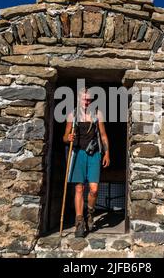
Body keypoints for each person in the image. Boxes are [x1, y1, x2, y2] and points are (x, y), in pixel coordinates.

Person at [63, 88, 110, 237]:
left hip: (94, 154)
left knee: (94, 189)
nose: (87, 102)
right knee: (79, 189)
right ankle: (79, 222)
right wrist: (68, 138)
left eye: (89, 99)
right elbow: (64, 136)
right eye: (84, 99)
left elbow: (103, 135)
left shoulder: (97, 114)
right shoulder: (73, 114)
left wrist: (107, 153)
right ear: (79, 99)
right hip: (77, 153)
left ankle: (90, 212)